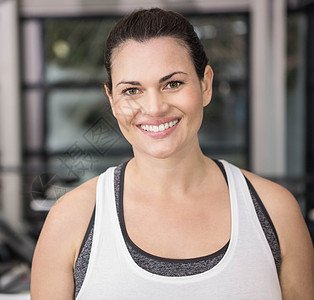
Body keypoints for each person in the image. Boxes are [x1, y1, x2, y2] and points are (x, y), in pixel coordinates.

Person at [31, 8, 314, 299]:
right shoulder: (71, 220)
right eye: (132, 90)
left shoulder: (276, 211)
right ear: (112, 100)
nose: (154, 108)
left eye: (173, 84)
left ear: (205, 85)